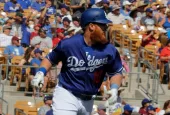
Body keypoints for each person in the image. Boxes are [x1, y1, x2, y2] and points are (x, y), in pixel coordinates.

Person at [31, 8, 123, 114]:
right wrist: (40, 72)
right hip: (67, 94)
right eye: (102, 25)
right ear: (91, 26)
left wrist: (115, 88)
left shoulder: (109, 49)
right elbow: (50, 59)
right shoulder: (69, 44)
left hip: (89, 100)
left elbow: (116, 72)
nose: (106, 28)